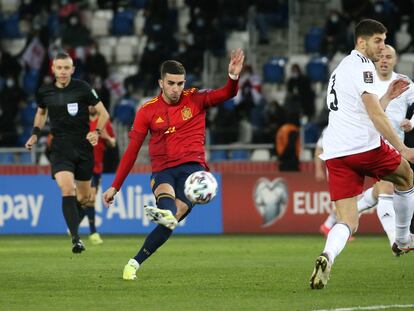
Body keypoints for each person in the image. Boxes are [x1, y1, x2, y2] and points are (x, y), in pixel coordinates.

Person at [102, 48, 245, 280]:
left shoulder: (196, 99)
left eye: (180, 83)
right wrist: (115, 186)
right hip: (163, 170)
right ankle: (160, 222)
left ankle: (134, 262)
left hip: (194, 171)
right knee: (167, 203)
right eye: (171, 83)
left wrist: (233, 76)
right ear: (161, 82)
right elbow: (131, 151)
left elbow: (226, 93)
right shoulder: (147, 111)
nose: (176, 89)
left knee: (174, 213)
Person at [309, 19, 414, 290]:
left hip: (337, 152)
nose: (382, 47)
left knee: (348, 221)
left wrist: (388, 97)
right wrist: (400, 148)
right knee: (405, 176)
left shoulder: (341, 68)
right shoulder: (364, 66)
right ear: (361, 42)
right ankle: (402, 239)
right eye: (378, 41)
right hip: (363, 146)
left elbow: (360, 107)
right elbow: (373, 114)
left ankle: (327, 255)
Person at [318, 45, 414, 248]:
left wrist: (411, 122)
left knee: (373, 197)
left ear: (395, 60)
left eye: (389, 56)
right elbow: (372, 114)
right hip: (371, 143)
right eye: (382, 56)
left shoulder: (405, 83)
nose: (385, 59)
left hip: (374, 144)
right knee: (390, 187)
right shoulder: (366, 78)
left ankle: (329, 229)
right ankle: (397, 240)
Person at [25, 52, 110, 253]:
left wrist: (96, 132)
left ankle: (75, 225)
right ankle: (76, 239)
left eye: (66, 68)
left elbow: (103, 113)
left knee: (84, 197)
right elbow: (41, 111)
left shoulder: (83, 88)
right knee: (66, 189)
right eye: (59, 68)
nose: (63, 71)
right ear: (53, 69)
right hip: (60, 148)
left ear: (72, 69)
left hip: (83, 148)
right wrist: (35, 134)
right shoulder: (45, 91)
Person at [77, 106, 116, 245]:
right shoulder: (81, 122)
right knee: (91, 197)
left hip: (98, 166)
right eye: (89, 104)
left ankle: (74, 224)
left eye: (94, 104)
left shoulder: (104, 123)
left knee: (86, 199)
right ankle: (93, 232)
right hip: (84, 164)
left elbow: (113, 143)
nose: (91, 106)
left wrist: (106, 137)